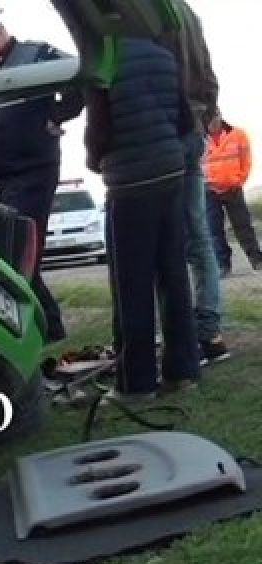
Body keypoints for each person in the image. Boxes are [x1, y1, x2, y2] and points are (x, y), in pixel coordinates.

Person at [0, 8, 85, 344]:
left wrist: (56, 116)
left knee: (19, 254)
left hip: (30, 173)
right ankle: (46, 328)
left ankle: (45, 331)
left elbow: (79, 79)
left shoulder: (36, 56)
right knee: (2, 257)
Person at [84, 34, 201, 401]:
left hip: (130, 183)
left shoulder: (102, 59)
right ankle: (183, 371)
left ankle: (137, 383)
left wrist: (93, 160)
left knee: (131, 286)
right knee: (174, 276)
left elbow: (99, 131)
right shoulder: (164, 55)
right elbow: (185, 120)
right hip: (170, 175)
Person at [159, 0, 231, 365]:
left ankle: (182, 337)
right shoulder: (185, 12)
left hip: (164, 129)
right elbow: (207, 74)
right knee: (198, 236)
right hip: (192, 129)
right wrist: (205, 113)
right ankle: (209, 334)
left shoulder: (144, 12)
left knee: (164, 238)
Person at [204, 111, 262, 276]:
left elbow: (246, 160)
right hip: (209, 190)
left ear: (219, 116)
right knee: (214, 229)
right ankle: (223, 264)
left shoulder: (238, 134)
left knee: (243, 225)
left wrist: (239, 179)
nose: (212, 123)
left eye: (214, 118)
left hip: (233, 188)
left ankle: (256, 259)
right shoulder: (199, 139)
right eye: (208, 119)